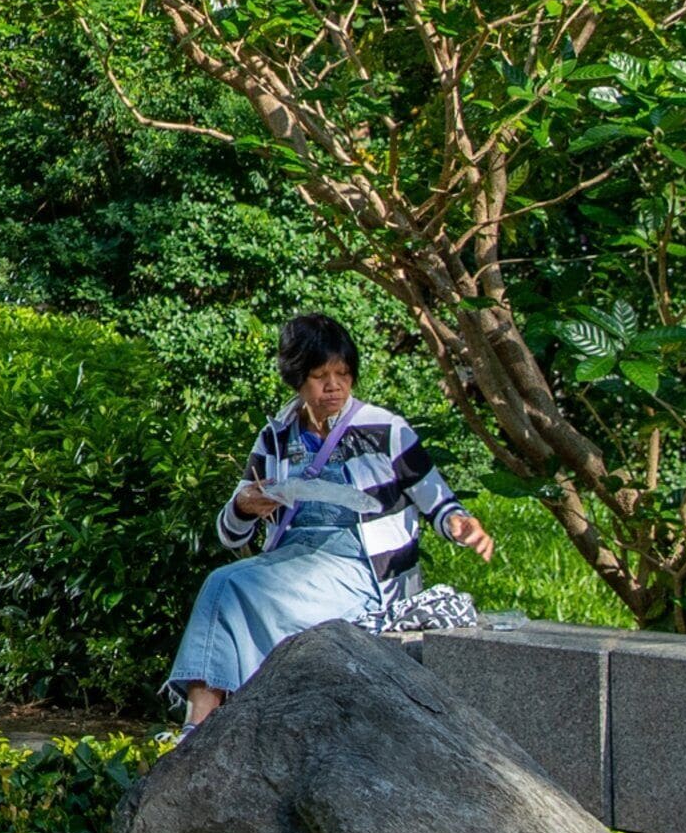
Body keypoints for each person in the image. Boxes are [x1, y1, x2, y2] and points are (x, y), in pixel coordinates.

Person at [164, 312, 494, 729]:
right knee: (227, 583)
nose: (334, 386)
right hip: (291, 564)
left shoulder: (385, 430)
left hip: (363, 573)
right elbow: (230, 534)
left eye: (342, 374)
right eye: (321, 376)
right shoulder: (276, 438)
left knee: (228, 586)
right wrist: (245, 506)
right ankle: (205, 729)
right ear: (297, 379)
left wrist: (461, 525)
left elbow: (439, 503)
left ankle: (199, 731)